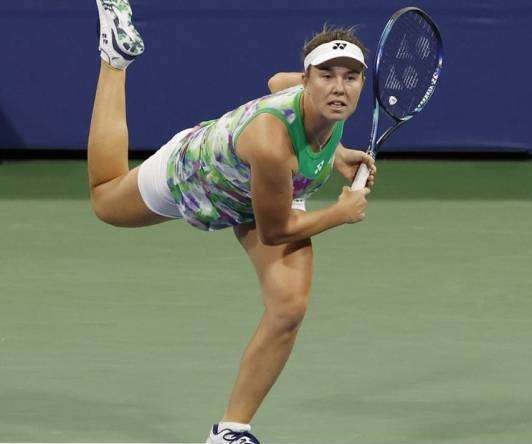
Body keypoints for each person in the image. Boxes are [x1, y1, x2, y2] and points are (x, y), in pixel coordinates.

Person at [89, 2, 376, 443]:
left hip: (272, 191)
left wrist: (336, 154)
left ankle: (230, 432)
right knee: (106, 199)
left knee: (289, 308)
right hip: (200, 175)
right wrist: (340, 213)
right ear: (307, 81)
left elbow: (275, 82)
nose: (339, 88)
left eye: (350, 77)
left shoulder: (321, 102)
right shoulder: (269, 141)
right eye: (326, 76)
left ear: (361, 84)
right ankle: (116, 60)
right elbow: (275, 230)